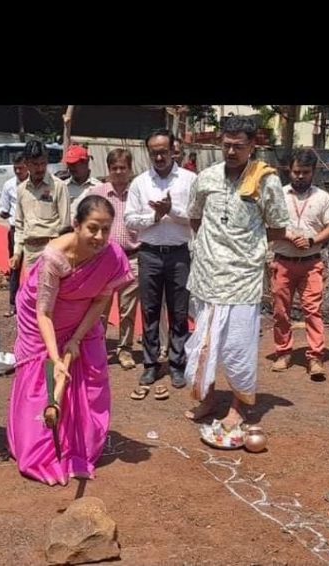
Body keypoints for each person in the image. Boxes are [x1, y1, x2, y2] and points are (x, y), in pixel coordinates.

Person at [7, 195, 134, 485]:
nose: (99, 237)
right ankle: (41, 452)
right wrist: (54, 358)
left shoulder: (112, 256)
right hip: (41, 318)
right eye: (92, 228)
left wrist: (76, 339)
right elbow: (44, 313)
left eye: (106, 229)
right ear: (76, 225)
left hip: (83, 317)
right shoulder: (54, 258)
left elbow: (101, 300)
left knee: (91, 375)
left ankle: (80, 446)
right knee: (44, 382)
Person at [184, 116, 290, 429]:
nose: (231, 151)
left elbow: (278, 227)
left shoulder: (265, 179)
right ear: (220, 143)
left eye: (239, 146)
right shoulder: (205, 177)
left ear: (252, 145)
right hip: (206, 276)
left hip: (242, 279)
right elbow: (195, 218)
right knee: (205, 341)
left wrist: (245, 248)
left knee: (237, 346)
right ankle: (207, 398)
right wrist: (213, 247)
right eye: (227, 145)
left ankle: (240, 407)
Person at [125, 129, 197, 393]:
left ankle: (177, 365)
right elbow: (130, 220)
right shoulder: (139, 183)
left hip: (179, 254)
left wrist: (171, 212)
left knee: (179, 312)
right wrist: (154, 218)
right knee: (150, 311)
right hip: (149, 254)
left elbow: (195, 217)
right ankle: (151, 364)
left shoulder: (189, 180)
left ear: (173, 150)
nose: (159, 156)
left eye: (163, 151)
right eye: (153, 152)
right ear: (148, 152)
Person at [269, 148, 329, 378]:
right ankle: (283, 352)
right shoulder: (278, 194)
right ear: (289, 170)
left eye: (305, 172)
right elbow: (268, 226)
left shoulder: (323, 197)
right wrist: (289, 236)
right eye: (296, 172)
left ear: (313, 172)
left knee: (313, 310)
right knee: (280, 311)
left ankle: (315, 357)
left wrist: (311, 241)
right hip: (283, 261)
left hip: (311, 262)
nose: (300, 176)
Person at [80, 149, 141, 371]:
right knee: (100, 308)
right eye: (114, 168)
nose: (118, 172)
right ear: (108, 169)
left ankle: (125, 350)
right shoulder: (96, 194)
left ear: (129, 169)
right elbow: (80, 219)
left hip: (132, 258)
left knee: (128, 308)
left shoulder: (137, 192)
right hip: (103, 259)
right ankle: (99, 349)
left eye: (122, 167)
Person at [12, 140, 71, 271]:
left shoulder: (59, 187)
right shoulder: (22, 190)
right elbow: (19, 225)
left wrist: (58, 250)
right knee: (32, 290)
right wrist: (17, 253)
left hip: (52, 250)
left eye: (43, 163)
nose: (40, 168)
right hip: (30, 253)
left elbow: (65, 225)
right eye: (35, 164)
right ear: (26, 164)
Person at [0, 152, 29, 317]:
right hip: (15, 230)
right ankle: (13, 303)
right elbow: (2, 207)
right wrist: (5, 213)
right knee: (14, 267)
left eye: (21, 168)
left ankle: (31, 304)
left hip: (32, 231)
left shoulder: (35, 184)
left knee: (34, 268)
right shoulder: (9, 185)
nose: (18, 171)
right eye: (15, 168)